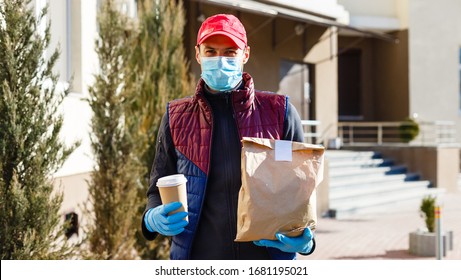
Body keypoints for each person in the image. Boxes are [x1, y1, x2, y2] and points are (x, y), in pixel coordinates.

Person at [141, 14, 315, 260]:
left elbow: (301, 188)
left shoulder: (280, 112)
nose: (219, 60)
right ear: (198, 54)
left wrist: (306, 242)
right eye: (210, 52)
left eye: (230, 52)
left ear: (245, 54)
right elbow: (157, 186)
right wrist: (151, 218)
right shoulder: (176, 117)